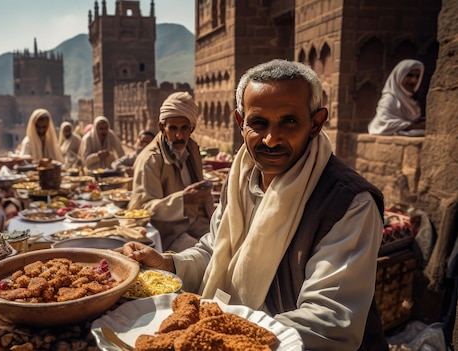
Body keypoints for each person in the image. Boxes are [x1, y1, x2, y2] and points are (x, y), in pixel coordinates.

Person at [122, 59, 388, 350]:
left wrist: (220, 331)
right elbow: (214, 249)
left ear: (315, 123)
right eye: (259, 123)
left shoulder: (348, 203)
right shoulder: (242, 178)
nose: (271, 139)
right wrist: (170, 264)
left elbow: (330, 322)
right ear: (240, 122)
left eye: (289, 121)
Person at [128, 92, 215, 252]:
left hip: (195, 221)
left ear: (192, 128)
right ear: (162, 128)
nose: (179, 135)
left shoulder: (192, 149)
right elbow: (144, 209)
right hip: (167, 232)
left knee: (226, 246)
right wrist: (183, 200)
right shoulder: (150, 160)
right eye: (173, 128)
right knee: (204, 255)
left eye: (184, 128)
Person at [368, 59, 426, 136]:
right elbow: (385, 124)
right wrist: (416, 126)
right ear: (399, 75)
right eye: (409, 75)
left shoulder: (410, 100)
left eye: (417, 76)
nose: (413, 81)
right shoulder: (389, 99)